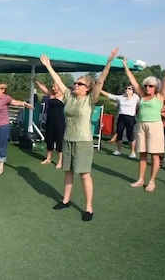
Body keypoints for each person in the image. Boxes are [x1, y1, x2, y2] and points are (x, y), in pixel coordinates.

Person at [40, 48, 119, 221]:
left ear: (87, 88)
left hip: (83, 141)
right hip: (68, 139)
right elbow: (58, 81)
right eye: (76, 83)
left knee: (84, 174)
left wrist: (109, 63)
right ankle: (66, 200)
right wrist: (48, 65)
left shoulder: (90, 100)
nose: (76, 85)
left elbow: (100, 82)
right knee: (68, 171)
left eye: (80, 84)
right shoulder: (68, 97)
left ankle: (88, 208)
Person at [122, 51, 165, 192]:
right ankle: (141, 179)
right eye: (146, 85)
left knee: (155, 155)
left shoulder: (159, 96)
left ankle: (152, 181)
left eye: (150, 86)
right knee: (142, 153)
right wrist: (125, 66)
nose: (147, 88)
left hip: (155, 126)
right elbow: (134, 82)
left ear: (156, 87)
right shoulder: (141, 95)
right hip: (141, 125)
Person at [100, 86, 140, 158]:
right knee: (119, 133)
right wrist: (100, 90)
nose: (127, 90)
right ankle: (118, 150)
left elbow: (141, 104)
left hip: (130, 117)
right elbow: (110, 96)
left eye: (129, 89)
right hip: (121, 117)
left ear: (133, 91)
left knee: (130, 135)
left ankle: (133, 152)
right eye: (126, 88)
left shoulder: (136, 97)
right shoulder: (121, 97)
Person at [34, 79, 65, 169]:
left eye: (55, 86)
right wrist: (37, 81)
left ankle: (60, 161)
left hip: (59, 121)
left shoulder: (64, 96)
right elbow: (43, 88)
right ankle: (48, 158)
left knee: (59, 140)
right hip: (50, 120)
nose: (53, 88)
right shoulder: (51, 94)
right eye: (53, 86)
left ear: (59, 87)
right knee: (49, 138)